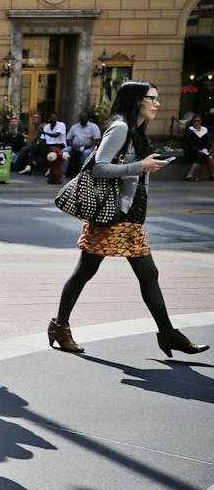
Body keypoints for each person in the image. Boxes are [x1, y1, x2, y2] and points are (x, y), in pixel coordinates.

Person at [48, 82, 209, 357]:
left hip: (128, 217)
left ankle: (167, 333)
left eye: (158, 98)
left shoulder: (135, 130)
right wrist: (140, 166)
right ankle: (59, 326)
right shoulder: (121, 127)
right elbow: (98, 166)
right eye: (152, 99)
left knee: (148, 274)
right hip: (111, 217)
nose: (157, 104)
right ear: (136, 100)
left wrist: (145, 167)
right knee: (85, 272)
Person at [66, 112, 102, 177]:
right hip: (75, 147)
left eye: (84, 117)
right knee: (65, 151)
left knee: (86, 153)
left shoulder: (93, 126)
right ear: (79, 118)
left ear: (88, 118)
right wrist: (74, 147)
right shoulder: (74, 127)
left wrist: (88, 146)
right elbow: (68, 139)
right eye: (81, 117)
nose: (83, 119)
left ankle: (82, 174)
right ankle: (62, 173)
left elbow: (96, 139)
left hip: (89, 147)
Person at [181, 114, 213, 180]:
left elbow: (207, 142)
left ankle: (212, 175)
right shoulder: (189, 130)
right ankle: (189, 175)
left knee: (210, 157)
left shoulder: (204, 130)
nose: (196, 122)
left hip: (203, 150)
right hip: (191, 151)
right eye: (194, 121)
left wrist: (205, 149)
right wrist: (198, 150)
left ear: (201, 122)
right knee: (199, 156)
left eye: (198, 121)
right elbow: (189, 144)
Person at [38, 113, 68, 184]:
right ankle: (29, 167)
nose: (53, 119)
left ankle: (52, 172)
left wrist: (45, 132)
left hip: (59, 144)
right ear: (49, 120)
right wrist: (38, 143)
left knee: (53, 150)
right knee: (33, 148)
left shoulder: (61, 125)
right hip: (48, 145)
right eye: (51, 118)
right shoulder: (46, 127)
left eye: (54, 118)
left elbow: (56, 135)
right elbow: (43, 138)